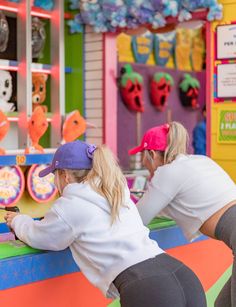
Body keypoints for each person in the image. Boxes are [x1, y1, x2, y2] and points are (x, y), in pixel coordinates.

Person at [5, 140, 206, 307]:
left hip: (148, 288)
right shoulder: (115, 192)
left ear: (64, 175)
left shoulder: (69, 205)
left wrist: (18, 221)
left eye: (55, 175)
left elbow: (41, 237)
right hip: (182, 275)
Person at [128, 121, 236, 307]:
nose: (144, 163)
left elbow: (137, 220)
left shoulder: (167, 173)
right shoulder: (200, 161)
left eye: (142, 157)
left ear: (152, 154)